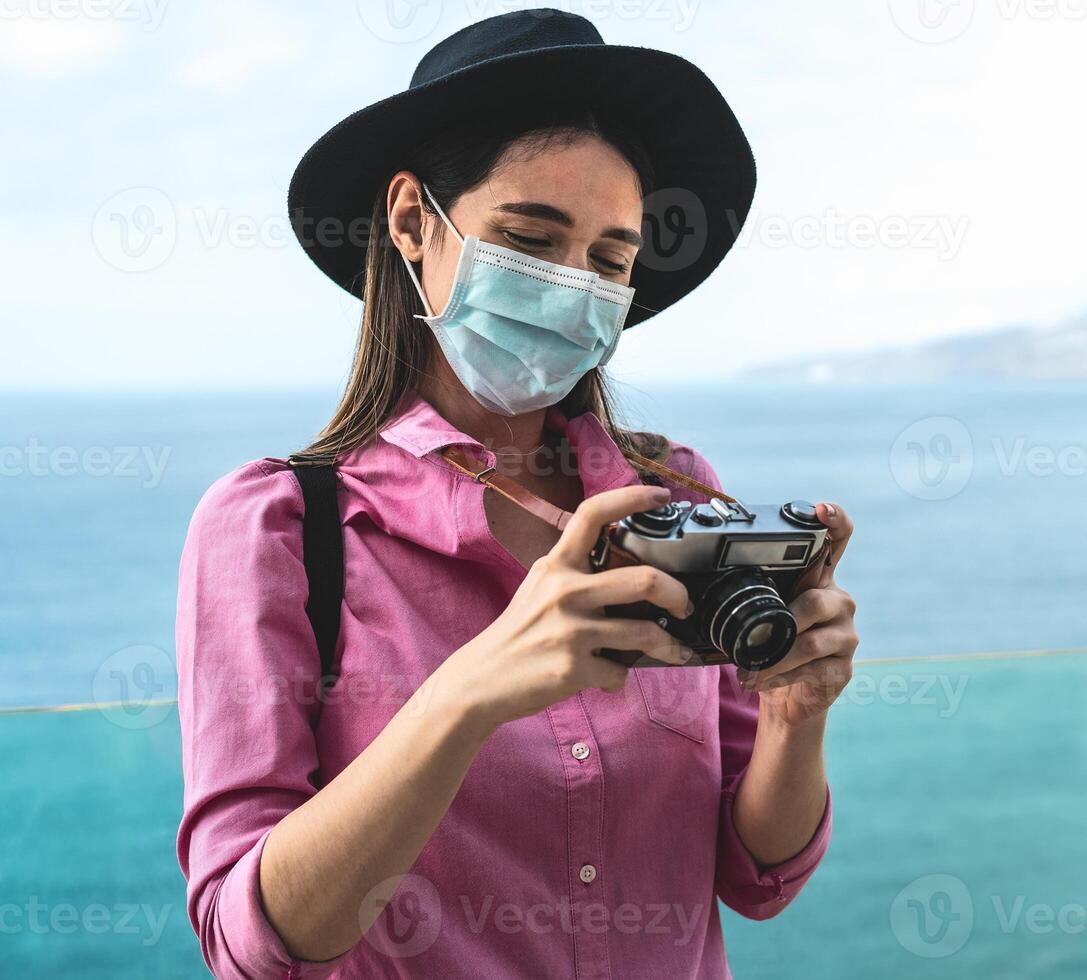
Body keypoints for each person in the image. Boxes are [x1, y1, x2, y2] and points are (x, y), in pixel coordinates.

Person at [175, 10, 859, 979]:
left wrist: (796, 713)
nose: (571, 284)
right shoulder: (281, 527)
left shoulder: (681, 497)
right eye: (531, 237)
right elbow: (254, 942)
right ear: (413, 219)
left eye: (610, 260)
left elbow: (759, 876)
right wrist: (468, 693)